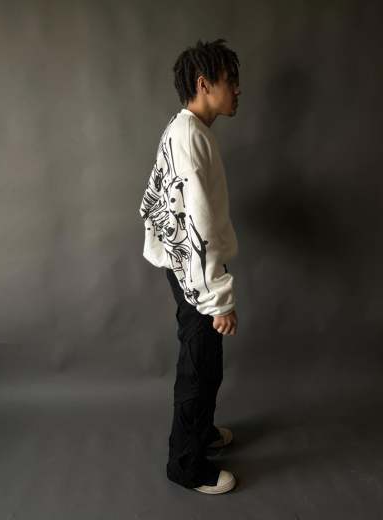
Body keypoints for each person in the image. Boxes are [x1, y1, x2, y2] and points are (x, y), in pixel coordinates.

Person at [139, 38, 241, 494]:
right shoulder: (189, 138)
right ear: (204, 84)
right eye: (230, 81)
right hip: (194, 273)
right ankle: (186, 465)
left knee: (207, 362)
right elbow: (196, 228)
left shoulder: (188, 130)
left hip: (188, 269)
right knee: (198, 367)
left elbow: (161, 204)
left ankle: (201, 434)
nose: (238, 90)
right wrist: (217, 298)